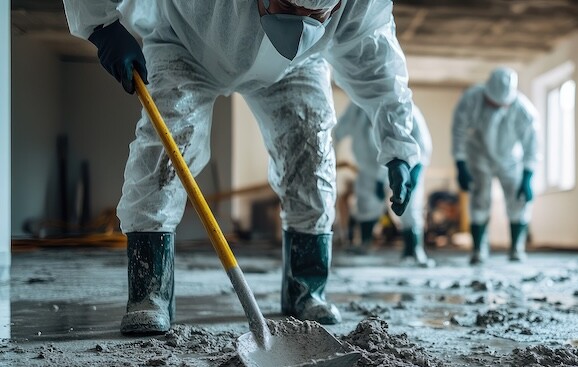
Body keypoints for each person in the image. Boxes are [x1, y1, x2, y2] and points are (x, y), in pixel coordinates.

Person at [63, 0, 421, 333]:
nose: (298, 21)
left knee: (311, 158)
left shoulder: (361, 4)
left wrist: (399, 148)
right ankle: (149, 294)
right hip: (187, 43)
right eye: (284, 5)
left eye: (314, 14)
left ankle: (306, 290)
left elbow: (378, 62)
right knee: (165, 155)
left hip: (299, 66)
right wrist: (101, 25)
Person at [451, 67, 538, 265]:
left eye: (501, 105)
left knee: (518, 200)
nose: (496, 108)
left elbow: (532, 145)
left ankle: (517, 247)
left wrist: (527, 177)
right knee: (480, 199)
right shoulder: (471, 99)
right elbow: (458, 131)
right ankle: (478, 249)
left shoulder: (524, 110)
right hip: (479, 155)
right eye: (492, 104)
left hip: (510, 159)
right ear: (486, 94)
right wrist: (460, 163)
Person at [333, 102, 433, 266]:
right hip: (369, 168)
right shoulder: (358, 110)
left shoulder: (408, 111)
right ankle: (364, 243)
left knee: (410, 204)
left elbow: (424, 147)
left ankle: (413, 248)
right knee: (366, 201)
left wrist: (414, 174)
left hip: (406, 166)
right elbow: (339, 131)